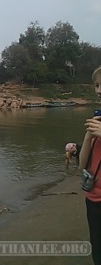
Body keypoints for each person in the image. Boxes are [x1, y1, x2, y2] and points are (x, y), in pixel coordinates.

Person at [80, 65, 101, 265]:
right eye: (97, 85)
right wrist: (87, 137)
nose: (99, 90)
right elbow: (82, 167)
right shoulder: (98, 119)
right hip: (93, 198)